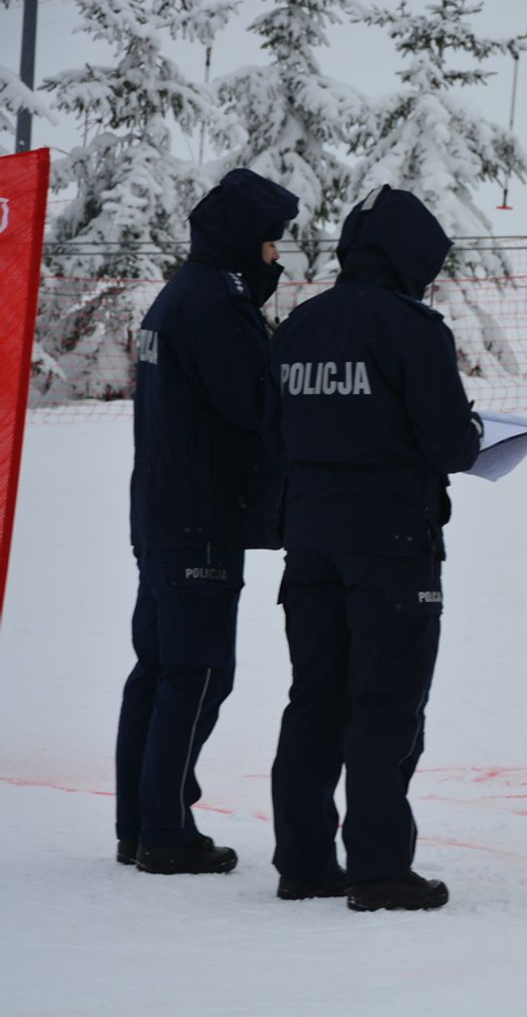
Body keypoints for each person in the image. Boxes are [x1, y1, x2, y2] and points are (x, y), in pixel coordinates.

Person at [268, 186, 482, 912]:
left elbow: (272, 429)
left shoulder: (300, 323)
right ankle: (379, 869)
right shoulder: (413, 328)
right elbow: (449, 442)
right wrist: (473, 434)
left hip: (309, 540)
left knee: (314, 699)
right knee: (386, 703)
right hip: (391, 544)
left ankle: (304, 862)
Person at [116, 168, 300, 875]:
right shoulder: (214, 304)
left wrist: (251, 304)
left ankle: (138, 824)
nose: (276, 255)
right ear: (244, 241)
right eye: (271, 242)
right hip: (199, 517)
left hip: (163, 510)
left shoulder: (182, 294)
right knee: (196, 675)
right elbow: (252, 403)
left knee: (158, 670)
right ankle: (165, 831)